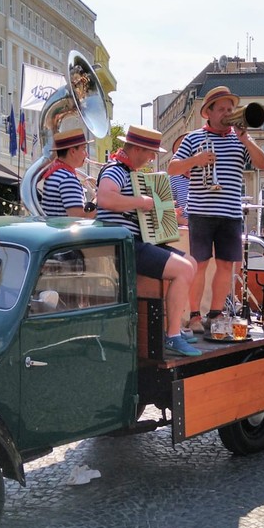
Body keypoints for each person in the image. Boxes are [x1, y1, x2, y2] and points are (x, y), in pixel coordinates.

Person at [168, 86, 264, 334]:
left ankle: (215, 314)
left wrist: (246, 139)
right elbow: (172, 168)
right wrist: (196, 160)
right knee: (199, 265)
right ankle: (194, 316)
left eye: (230, 109)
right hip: (201, 211)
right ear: (208, 113)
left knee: (225, 266)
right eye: (222, 109)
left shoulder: (240, 138)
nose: (228, 113)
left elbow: (262, 163)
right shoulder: (193, 138)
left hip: (230, 213)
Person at [96, 124, 200, 357]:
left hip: (136, 241)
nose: (152, 158)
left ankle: (171, 327)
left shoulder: (128, 173)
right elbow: (105, 199)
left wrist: (164, 211)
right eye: (151, 153)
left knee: (191, 263)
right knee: (183, 270)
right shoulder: (115, 170)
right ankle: (172, 336)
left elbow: (133, 210)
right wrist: (142, 202)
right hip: (124, 244)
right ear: (137, 149)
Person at [39, 128, 96, 219]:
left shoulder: (55, 173)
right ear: (72, 151)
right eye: (83, 149)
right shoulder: (68, 179)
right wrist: (103, 206)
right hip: (62, 228)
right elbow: (78, 219)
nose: (86, 154)